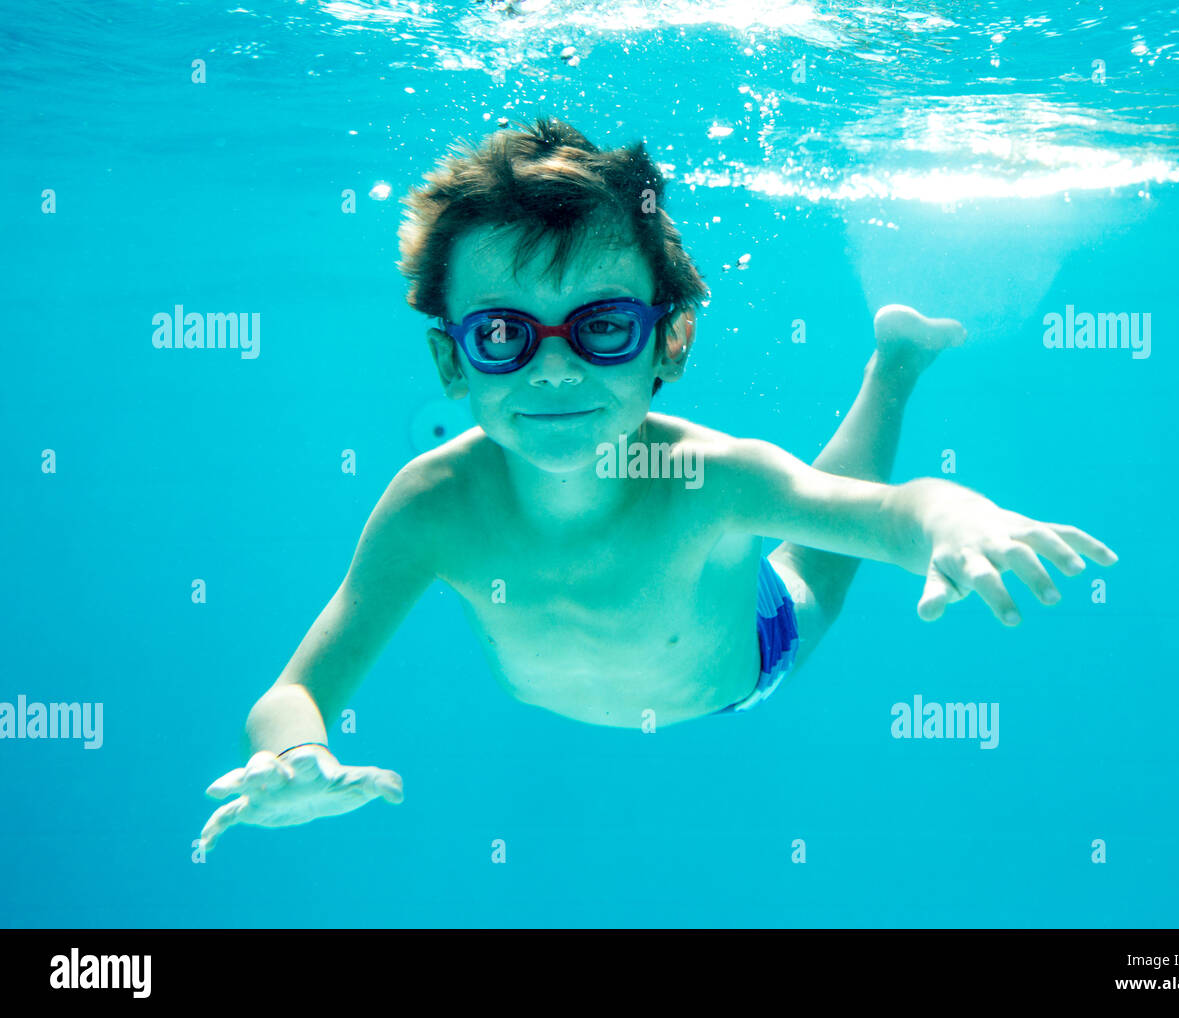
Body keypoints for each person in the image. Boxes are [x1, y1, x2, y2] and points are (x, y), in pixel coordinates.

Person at [199, 116, 1115, 852]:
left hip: (747, 664)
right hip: (574, 694)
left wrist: (957, 513)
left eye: (600, 328)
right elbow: (298, 688)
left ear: (669, 342)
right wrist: (293, 754)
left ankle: (895, 369)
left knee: (818, 571)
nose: (552, 374)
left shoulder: (709, 477)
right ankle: (896, 357)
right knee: (813, 543)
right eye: (503, 336)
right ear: (452, 361)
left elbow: (882, 516)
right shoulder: (432, 505)